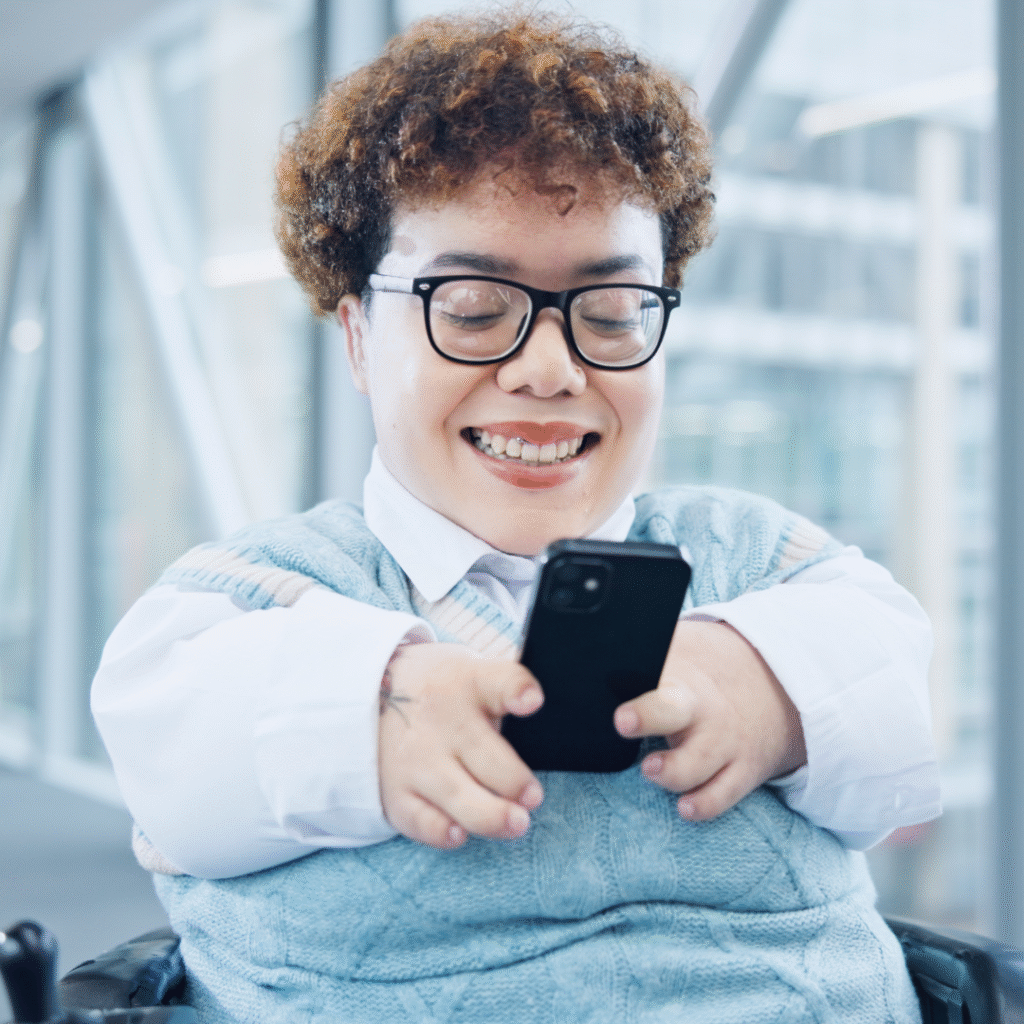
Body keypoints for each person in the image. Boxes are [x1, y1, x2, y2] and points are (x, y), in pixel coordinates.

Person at [92, 10, 939, 1023]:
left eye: (614, 311)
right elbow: (173, 750)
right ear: (359, 335)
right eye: (473, 309)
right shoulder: (254, 596)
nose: (549, 368)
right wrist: (371, 702)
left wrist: (776, 685)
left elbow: (896, 713)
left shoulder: (758, 561)